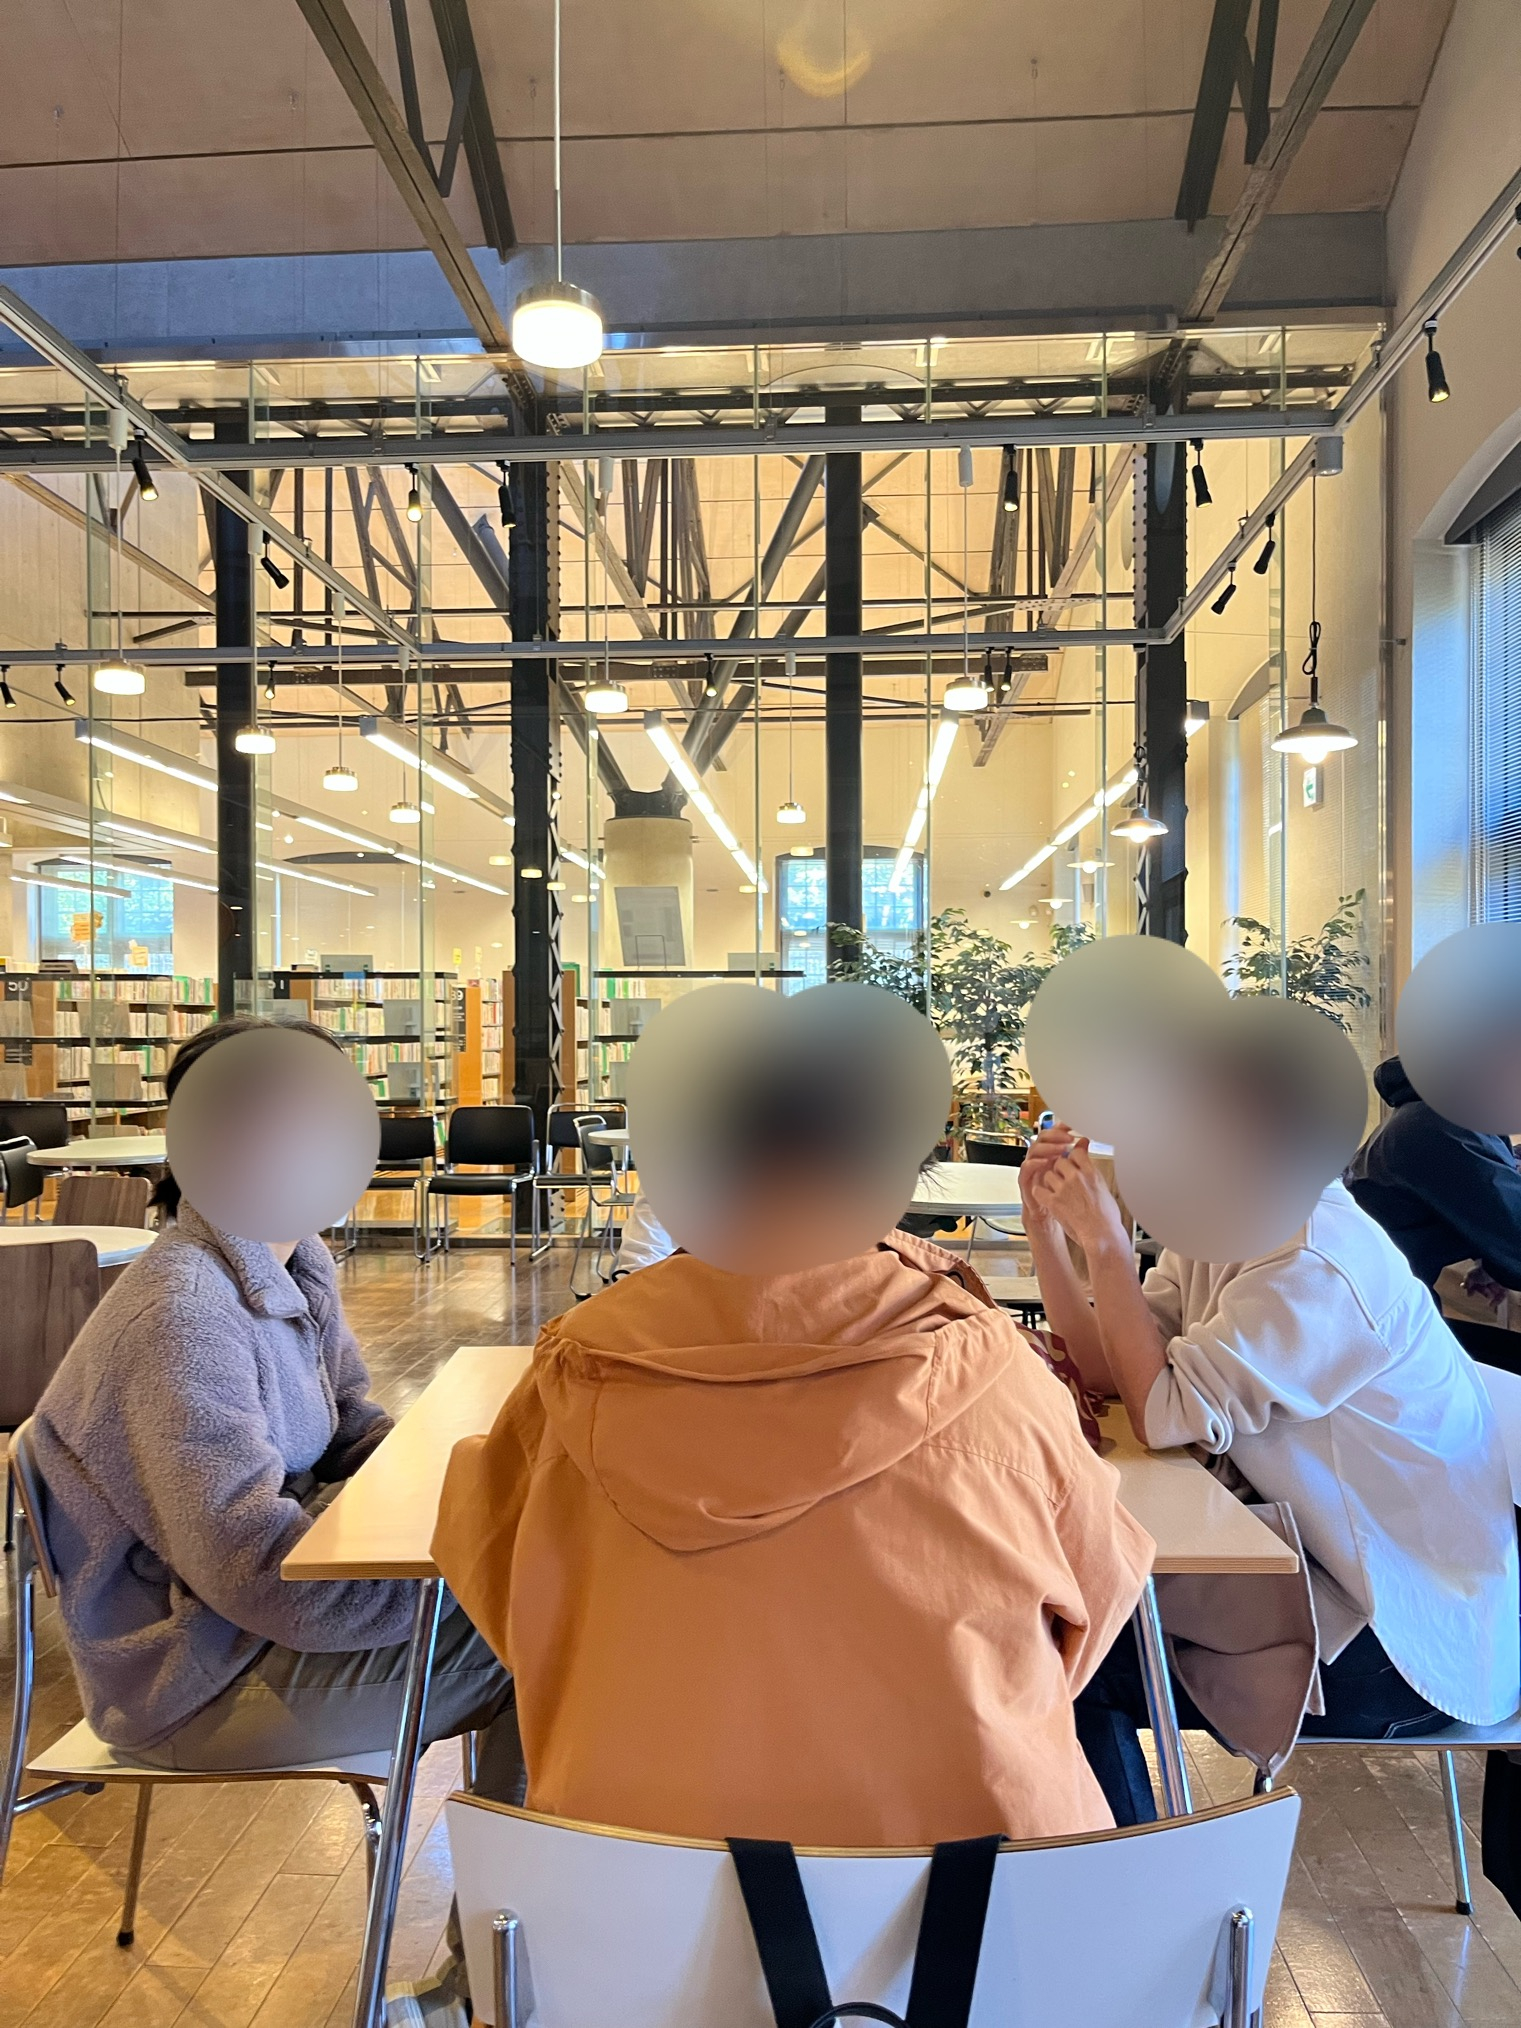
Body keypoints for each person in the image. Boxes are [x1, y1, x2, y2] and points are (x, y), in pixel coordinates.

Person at [432, 993, 1155, 1849]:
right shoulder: (998, 1376)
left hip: (633, 1886)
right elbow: (1094, 1609)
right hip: (976, 1894)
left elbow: (501, 1594)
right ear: (894, 1169)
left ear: (696, 1158)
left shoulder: (570, 1372)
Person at [31, 1016, 523, 1794]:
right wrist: (462, 1575)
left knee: (551, 1604)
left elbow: (351, 1430)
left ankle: (527, 1866)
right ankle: (525, 1873)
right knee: (558, 1645)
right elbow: (255, 1573)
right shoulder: (182, 1315)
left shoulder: (292, 1258)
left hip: (257, 1628)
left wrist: (473, 1486)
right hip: (196, 1679)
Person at [1020, 1124, 1520, 1824]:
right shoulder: (1219, 1227)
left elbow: (1158, 1410)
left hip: (1399, 1643)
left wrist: (1105, 1244)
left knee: (1063, 1656)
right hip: (1314, 1581)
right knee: (1059, 1626)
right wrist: (1046, 1231)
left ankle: (1123, 1888)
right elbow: (1108, 1370)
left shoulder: (1319, 1260)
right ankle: (1106, 1875)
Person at [1347, 1054, 1521, 1368]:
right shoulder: (1441, 1127)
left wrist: (1492, 1258)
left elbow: (1486, 1194)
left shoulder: (1437, 1115)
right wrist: (1501, 1257)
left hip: (1383, 1314)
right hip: (1372, 1336)